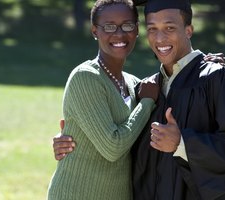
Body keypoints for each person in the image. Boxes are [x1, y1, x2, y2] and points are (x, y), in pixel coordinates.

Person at [52, 0, 225, 200]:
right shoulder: (148, 88)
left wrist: (183, 144)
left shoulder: (216, 79)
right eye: (152, 28)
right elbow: (120, 136)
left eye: (169, 28)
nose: (160, 38)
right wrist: (72, 139)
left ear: (188, 30)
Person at [47, 1, 159, 199]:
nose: (119, 34)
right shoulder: (86, 77)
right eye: (108, 26)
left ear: (136, 30)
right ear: (94, 31)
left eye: (127, 25)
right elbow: (113, 147)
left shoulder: (134, 84)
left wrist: (203, 63)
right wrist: (146, 104)